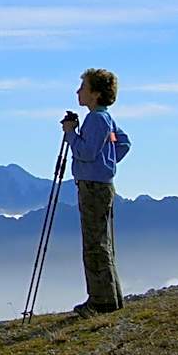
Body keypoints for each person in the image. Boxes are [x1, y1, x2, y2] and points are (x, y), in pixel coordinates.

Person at [62, 68, 132, 318]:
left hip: (91, 185)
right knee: (103, 242)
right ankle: (111, 298)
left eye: (83, 87)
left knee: (94, 244)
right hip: (102, 183)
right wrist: (108, 163)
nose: (78, 92)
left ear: (95, 94)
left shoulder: (96, 119)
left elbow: (86, 152)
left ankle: (100, 301)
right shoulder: (106, 118)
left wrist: (71, 133)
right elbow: (123, 143)